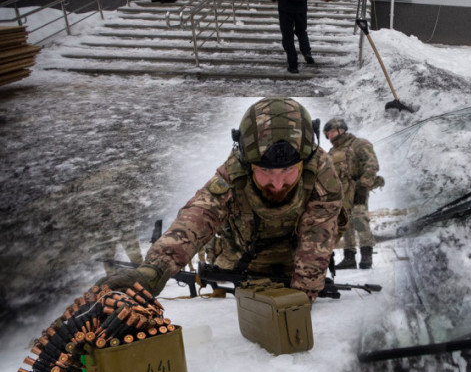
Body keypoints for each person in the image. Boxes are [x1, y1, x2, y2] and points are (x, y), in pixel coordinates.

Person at [96, 97, 344, 302]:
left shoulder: (321, 173)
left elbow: (317, 237)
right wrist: (154, 270)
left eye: (289, 171)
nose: (278, 184)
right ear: (247, 162)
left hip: (298, 267)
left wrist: (299, 300)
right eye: (266, 171)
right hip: (242, 269)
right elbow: (199, 215)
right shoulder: (234, 172)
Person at [325, 118, 382, 270]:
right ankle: (349, 257)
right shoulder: (332, 152)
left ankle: (366, 254)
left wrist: (364, 186)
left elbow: (371, 164)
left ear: (340, 130)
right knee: (345, 224)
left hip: (357, 189)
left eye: (331, 132)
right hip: (341, 193)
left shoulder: (358, 144)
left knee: (359, 219)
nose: (329, 135)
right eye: (327, 133)